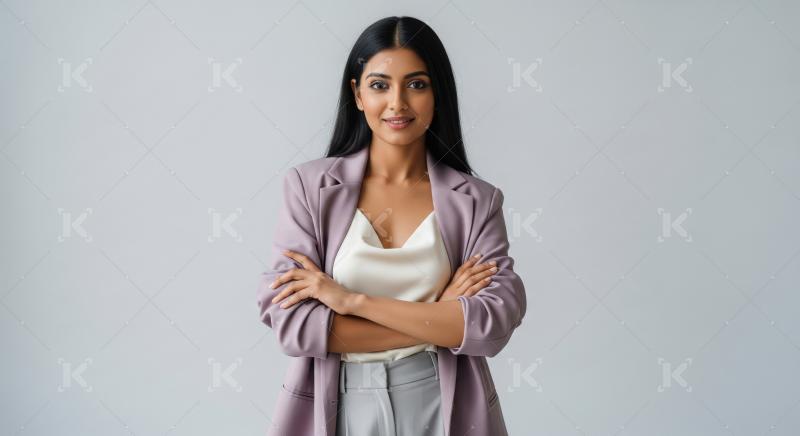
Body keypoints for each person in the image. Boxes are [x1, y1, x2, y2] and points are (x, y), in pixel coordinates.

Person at [257, 16, 527, 436]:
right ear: (358, 94)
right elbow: (291, 326)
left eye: (417, 84)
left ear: (438, 93)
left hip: (441, 403)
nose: (398, 103)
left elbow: (491, 325)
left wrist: (350, 302)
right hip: (341, 406)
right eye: (380, 85)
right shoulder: (311, 189)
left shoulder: (477, 201)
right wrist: (437, 314)